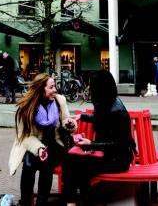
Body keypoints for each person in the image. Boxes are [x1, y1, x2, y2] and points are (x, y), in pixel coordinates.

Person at [62, 70, 136, 206]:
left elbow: (121, 144)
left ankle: (79, 201)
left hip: (118, 159)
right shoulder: (107, 102)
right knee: (70, 161)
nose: (89, 88)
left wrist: (91, 144)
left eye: (91, 85)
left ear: (100, 88)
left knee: (78, 167)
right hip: (106, 154)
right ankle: (72, 202)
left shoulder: (118, 111)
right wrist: (82, 117)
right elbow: (105, 120)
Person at [8, 73, 77, 206]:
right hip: (34, 145)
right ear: (41, 89)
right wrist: (39, 148)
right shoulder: (27, 108)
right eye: (51, 87)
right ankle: (26, 201)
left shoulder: (59, 101)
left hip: (56, 144)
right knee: (28, 164)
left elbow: (65, 121)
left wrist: (70, 124)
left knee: (47, 162)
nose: (55, 90)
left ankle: (41, 202)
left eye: (55, 86)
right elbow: (25, 136)